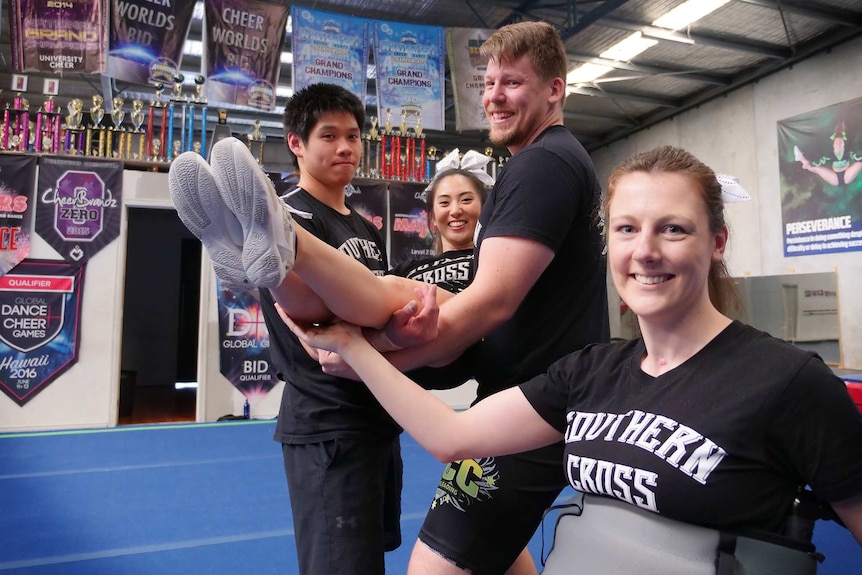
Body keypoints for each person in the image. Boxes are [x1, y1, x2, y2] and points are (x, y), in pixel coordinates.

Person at [283, 145, 862, 572]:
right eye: (628, 228)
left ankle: (285, 240)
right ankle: (286, 240)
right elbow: (451, 436)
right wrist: (355, 348)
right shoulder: (593, 371)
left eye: (674, 230)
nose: (646, 251)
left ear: (716, 243)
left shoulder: (786, 383)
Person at [170, 20, 609, 573]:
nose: (494, 96)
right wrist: (373, 350)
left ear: (554, 90)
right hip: (469, 399)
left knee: (438, 563)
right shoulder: (540, 166)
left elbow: (492, 302)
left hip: (524, 401)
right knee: (389, 293)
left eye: (512, 83)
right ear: (297, 146)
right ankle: (279, 247)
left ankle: (285, 244)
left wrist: (366, 355)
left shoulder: (542, 164)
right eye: (489, 82)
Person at [794, 120, 862, 186]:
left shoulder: (848, 153)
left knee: (859, 163)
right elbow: (819, 163)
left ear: (843, 145)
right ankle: (801, 158)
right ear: (833, 145)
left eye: (840, 143)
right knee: (816, 168)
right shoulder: (830, 155)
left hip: (847, 176)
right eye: (836, 143)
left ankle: (805, 162)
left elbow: (858, 157)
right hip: (834, 178)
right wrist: (809, 164)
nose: (838, 144)